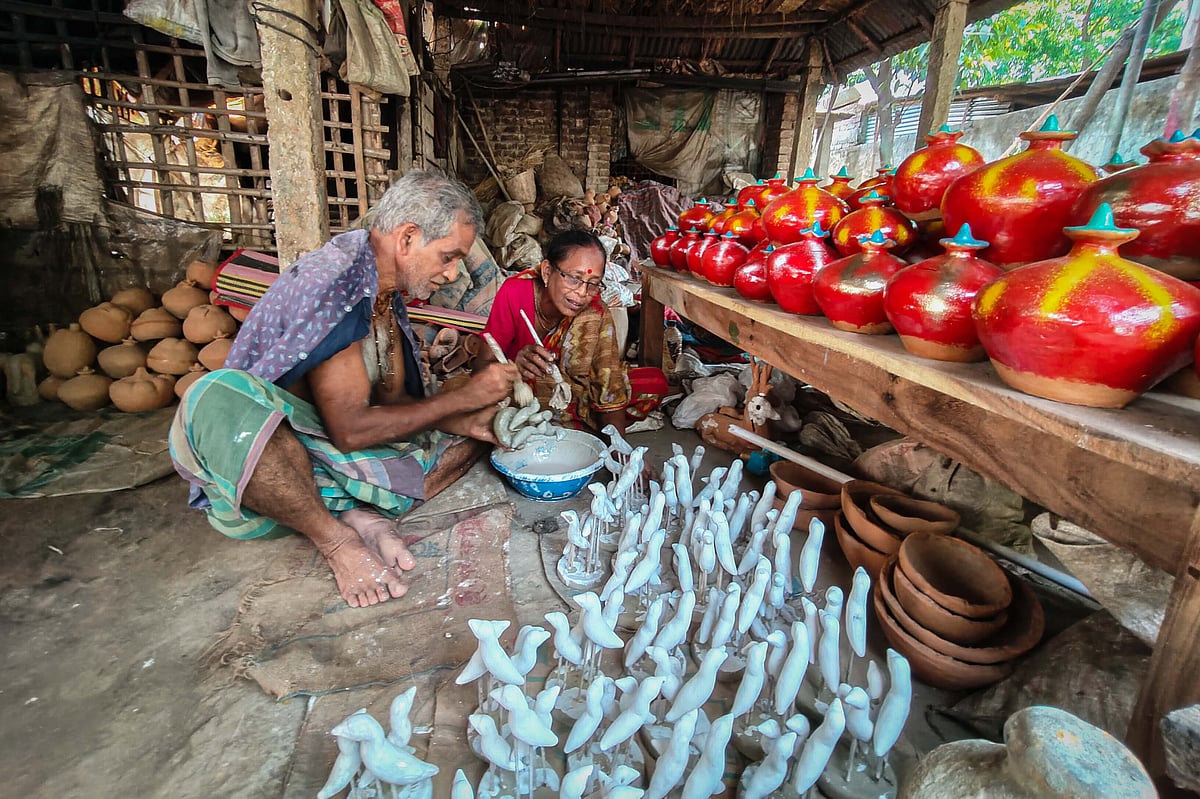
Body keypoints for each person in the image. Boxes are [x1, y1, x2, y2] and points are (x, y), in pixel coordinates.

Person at [169, 171, 520, 609]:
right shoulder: (337, 283)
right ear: (408, 238)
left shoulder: (385, 293)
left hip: (329, 457)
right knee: (213, 395)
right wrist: (465, 398)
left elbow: (394, 404)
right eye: (448, 257)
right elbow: (351, 431)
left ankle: (354, 513)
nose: (451, 275)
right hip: (273, 461)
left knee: (476, 440)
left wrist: (467, 418)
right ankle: (337, 540)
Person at [479, 229, 666, 435]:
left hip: (574, 392)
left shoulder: (595, 312)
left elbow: (607, 382)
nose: (582, 293)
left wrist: (618, 449)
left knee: (654, 383)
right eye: (574, 278)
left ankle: (569, 423)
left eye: (593, 284)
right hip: (520, 392)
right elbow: (479, 367)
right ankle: (573, 424)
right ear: (547, 272)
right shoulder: (514, 293)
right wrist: (514, 367)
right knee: (468, 396)